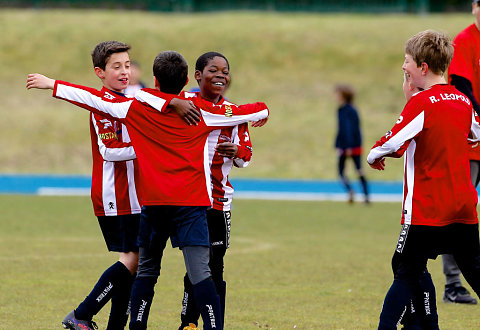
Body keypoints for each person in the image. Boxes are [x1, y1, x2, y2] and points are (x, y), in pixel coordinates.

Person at [26, 50, 269, 330]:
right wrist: (262, 113)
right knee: (200, 271)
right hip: (189, 203)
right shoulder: (203, 112)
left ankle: (133, 326)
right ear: (189, 79)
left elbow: (93, 98)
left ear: (153, 80)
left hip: (153, 204)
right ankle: (210, 327)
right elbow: (256, 109)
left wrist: (52, 84)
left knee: (146, 271)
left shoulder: (137, 106)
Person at [367, 30, 480, 329]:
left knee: (404, 269)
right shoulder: (462, 100)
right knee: (474, 269)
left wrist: (374, 155)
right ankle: (426, 323)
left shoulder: (422, 103)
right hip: (464, 208)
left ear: (423, 67)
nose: (404, 67)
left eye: (407, 62)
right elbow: (476, 134)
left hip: (429, 210)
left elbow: (389, 144)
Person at [59, 41, 141, 330]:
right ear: (100, 72)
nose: (124, 72)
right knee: (133, 259)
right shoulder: (101, 106)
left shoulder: (130, 99)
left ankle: (115, 325)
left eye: (127, 65)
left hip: (133, 193)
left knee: (132, 261)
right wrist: (148, 146)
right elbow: (110, 151)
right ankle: (81, 314)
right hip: (115, 193)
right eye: (116, 67)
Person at [176, 52, 253, 330]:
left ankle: (215, 324)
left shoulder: (236, 113)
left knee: (215, 265)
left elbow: (246, 156)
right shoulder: (184, 104)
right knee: (196, 264)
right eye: (213, 70)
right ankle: (188, 323)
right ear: (198, 76)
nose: (221, 75)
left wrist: (237, 151)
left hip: (219, 203)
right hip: (188, 200)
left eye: (226, 71)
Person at [439, 0, 480, 305]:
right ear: (473, 7)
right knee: (459, 211)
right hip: (473, 145)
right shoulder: (465, 42)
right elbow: (463, 90)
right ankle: (454, 284)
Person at [334, 84, 369, 204]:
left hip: (348, 146)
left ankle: (352, 191)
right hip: (353, 144)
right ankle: (365, 196)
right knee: (359, 170)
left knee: (342, 171)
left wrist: (345, 146)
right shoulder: (350, 110)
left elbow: (347, 129)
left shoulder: (345, 111)